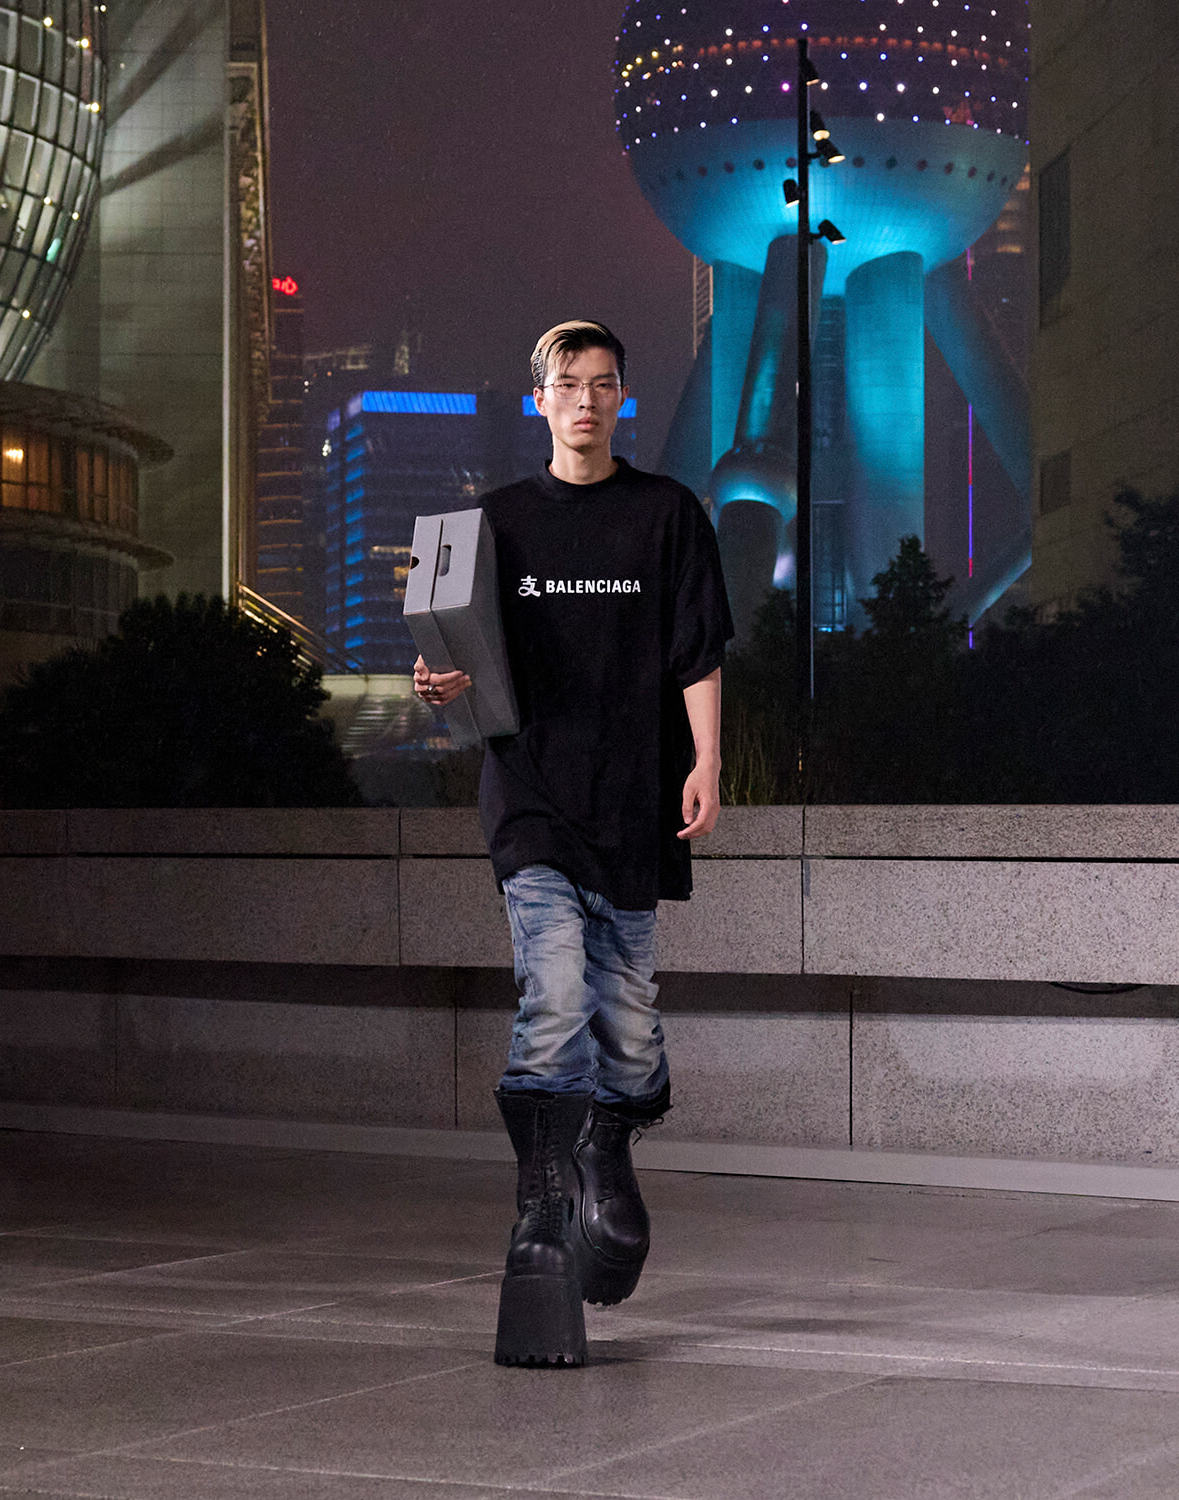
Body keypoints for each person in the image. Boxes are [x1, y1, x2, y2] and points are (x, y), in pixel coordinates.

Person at [414, 319, 732, 1367]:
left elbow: (697, 650)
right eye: (568, 385)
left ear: (623, 399)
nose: (586, 401)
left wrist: (706, 761)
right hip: (533, 799)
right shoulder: (492, 523)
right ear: (537, 400)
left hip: (632, 798)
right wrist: (437, 683)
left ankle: (609, 1138)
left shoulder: (667, 516)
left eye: (604, 386)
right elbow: (455, 661)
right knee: (552, 992)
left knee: (629, 1033)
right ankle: (541, 1212)